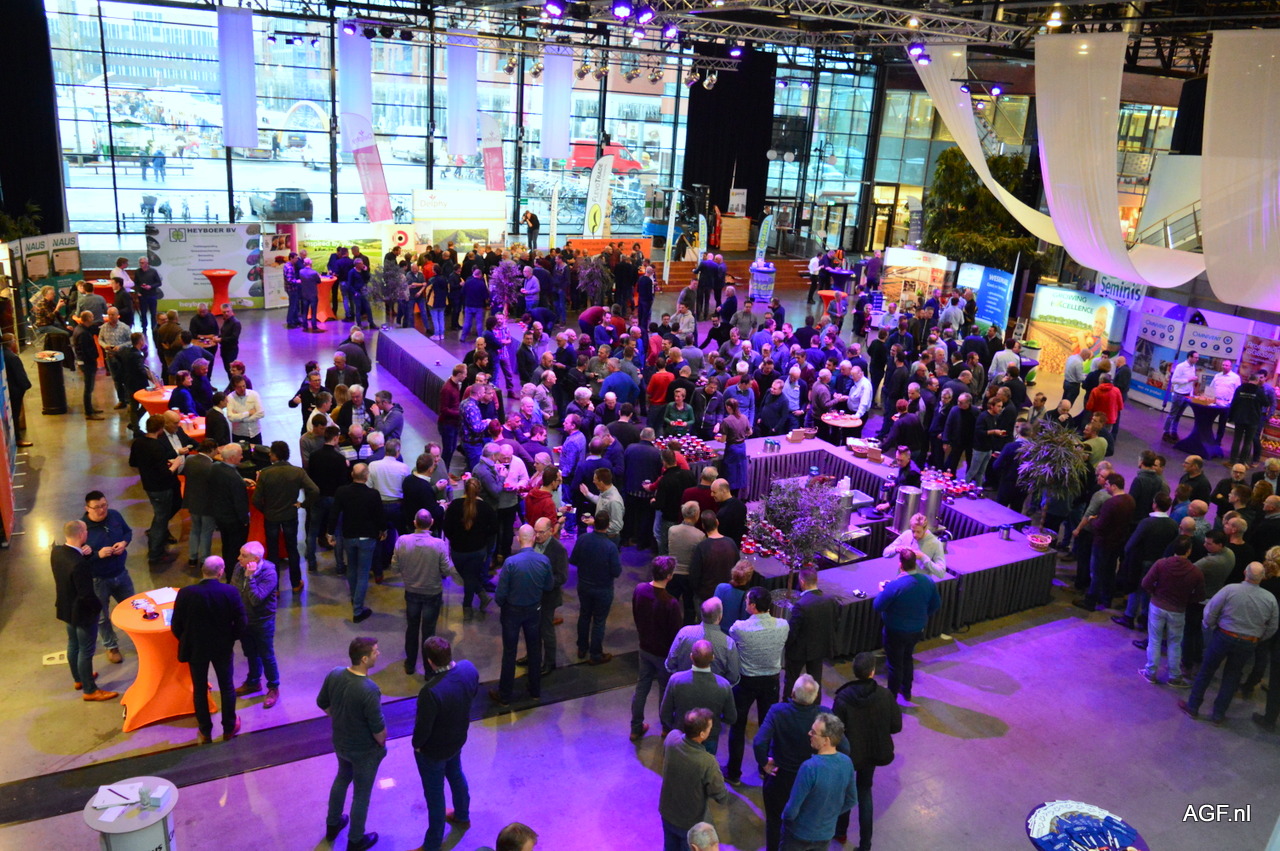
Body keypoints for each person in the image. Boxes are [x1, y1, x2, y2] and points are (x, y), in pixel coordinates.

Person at [1179, 562, 1279, 725]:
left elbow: (1211, 610)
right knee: (1232, 676)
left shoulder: (1230, 590)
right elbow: (1273, 626)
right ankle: (1218, 715)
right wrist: (1258, 638)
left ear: (1244, 572)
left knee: (1206, 671)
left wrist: (1209, 625)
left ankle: (1193, 706)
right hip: (1248, 642)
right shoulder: (1270, 599)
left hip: (1224, 636)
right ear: (1263, 577)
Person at [318, 637, 387, 851]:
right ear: (364, 659)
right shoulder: (369, 689)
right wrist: (382, 746)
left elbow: (322, 702)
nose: (379, 654)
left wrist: (339, 718)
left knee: (342, 778)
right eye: (375, 652)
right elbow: (378, 730)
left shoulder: (335, 673)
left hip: (341, 743)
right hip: (364, 751)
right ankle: (355, 840)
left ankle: (332, 825)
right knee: (361, 795)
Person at [412, 636, 479, 851]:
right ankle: (462, 816)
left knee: (434, 795)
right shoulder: (468, 669)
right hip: (457, 739)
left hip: (433, 751)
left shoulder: (430, 692)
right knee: (456, 775)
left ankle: (432, 845)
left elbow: (423, 728)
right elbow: (472, 694)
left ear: (430, 662)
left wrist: (417, 745)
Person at [171, 556, 247, 744]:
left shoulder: (186, 593)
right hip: (222, 647)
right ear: (220, 572)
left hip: (196, 648)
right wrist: (230, 638)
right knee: (227, 686)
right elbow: (241, 622)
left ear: (202, 570)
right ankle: (229, 728)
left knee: (199, 689)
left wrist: (188, 639)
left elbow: (176, 625)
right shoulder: (230, 591)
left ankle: (205, 731)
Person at [832, 652, 903, 851]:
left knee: (846, 792)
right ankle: (865, 845)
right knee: (864, 791)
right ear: (872, 672)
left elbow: (835, 731)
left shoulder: (843, 697)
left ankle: (840, 832)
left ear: (855, 671)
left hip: (849, 754)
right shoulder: (885, 695)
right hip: (872, 752)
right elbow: (896, 726)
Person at [724, 587, 789, 783]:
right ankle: (764, 767)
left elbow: (732, 638)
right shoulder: (783, 625)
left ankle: (733, 773)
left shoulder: (739, 628)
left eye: (747, 600)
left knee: (738, 726)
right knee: (766, 726)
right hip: (771, 680)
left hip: (746, 681)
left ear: (752, 605)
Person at [52, 520, 117, 701]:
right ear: (81, 534)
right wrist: (98, 608)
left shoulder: (57, 551)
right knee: (86, 651)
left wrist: (84, 555)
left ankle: (79, 679)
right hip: (82, 613)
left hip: (66, 608)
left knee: (73, 644)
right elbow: (86, 594)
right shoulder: (78, 564)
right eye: (86, 530)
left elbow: (70, 574)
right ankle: (90, 690)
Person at [491, 525, 555, 705]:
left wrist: (503, 604)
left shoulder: (511, 563)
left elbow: (500, 594)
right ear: (534, 538)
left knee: (509, 653)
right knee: (534, 650)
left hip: (512, 612)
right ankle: (535, 690)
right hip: (533, 611)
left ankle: (505, 695)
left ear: (518, 539)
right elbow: (549, 586)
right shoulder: (543, 560)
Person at [781, 713, 859, 851]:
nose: (809, 733)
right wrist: (830, 816)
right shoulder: (847, 762)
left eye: (814, 732)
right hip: (825, 835)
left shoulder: (809, 767)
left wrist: (785, 819)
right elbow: (852, 800)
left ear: (826, 740)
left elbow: (791, 810)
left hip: (799, 834)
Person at [873, 550, 941, 702]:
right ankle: (907, 691)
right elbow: (936, 605)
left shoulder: (894, 586)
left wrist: (882, 591)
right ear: (915, 563)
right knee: (907, 658)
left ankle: (891, 697)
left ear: (900, 564)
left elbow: (878, 606)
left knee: (894, 664)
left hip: (895, 631)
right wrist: (922, 617)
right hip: (916, 630)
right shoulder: (928, 581)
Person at [396, 510, 458, 675]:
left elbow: (395, 567)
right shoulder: (439, 544)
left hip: (411, 591)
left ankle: (410, 665)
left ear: (414, 523)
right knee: (429, 632)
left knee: (412, 628)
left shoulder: (402, 541)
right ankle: (429, 670)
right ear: (431, 523)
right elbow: (446, 570)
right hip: (432, 593)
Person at [1138, 535, 1205, 688]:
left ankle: (1150, 672)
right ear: (1189, 551)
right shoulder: (1195, 572)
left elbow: (1146, 583)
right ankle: (1174, 676)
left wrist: (1155, 593)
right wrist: (1186, 600)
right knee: (1175, 643)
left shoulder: (1161, 564)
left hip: (1157, 606)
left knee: (1154, 639)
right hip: (1178, 610)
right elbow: (1200, 596)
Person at [659, 708, 730, 851]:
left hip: (667, 811)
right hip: (689, 822)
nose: (711, 729)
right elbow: (721, 796)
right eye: (709, 727)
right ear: (702, 734)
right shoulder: (707, 762)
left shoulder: (672, 737)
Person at [253, 441, 318, 594]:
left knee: (273, 551)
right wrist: (303, 504)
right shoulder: (297, 472)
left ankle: (274, 587)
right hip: (290, 515)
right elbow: (314, 490)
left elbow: (256, 499)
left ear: (275, 455)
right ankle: (295, 583)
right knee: (292, 549)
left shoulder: (265, 473)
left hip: (271, 517)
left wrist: (266, 510)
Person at [632, 556, 684, 740]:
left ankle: (635, 727)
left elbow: (636, 614)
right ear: (669, 576)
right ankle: (666, 727)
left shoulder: (639, 589)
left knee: (642, 687)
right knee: (664, 690)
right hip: (663, 654)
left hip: (644, 647)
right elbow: (676, 635)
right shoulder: (670, 603)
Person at [81, 491, 134, 665]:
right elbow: (78, 559)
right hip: (98, 580)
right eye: (96, 507)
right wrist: (98, 555)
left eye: (104, 505)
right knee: (102, 616)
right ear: (87, 508)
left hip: (121, 573)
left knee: (132, 608)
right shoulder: (82, 530)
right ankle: (111, 646)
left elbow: (128, 532)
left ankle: (138, 638)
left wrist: (124, 543)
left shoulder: (115, 516)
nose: (102, 510)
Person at [661, 639, 738, 756]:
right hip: (710, 736)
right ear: (713, 658)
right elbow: (731, 717)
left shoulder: (675, 680)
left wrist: (676, 726)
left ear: (691, 657)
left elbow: (665, 713)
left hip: (682, 734)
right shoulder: (724, 685)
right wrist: (715, 721)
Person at [329, 463, 384, 623]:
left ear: (352, 475)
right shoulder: (373, 494)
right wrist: (383, 530)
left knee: (352, 568)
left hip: (349, 536)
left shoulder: (342, 491)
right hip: (367, 537)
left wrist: (330, 532)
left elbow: (334, 513)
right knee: (363, 573)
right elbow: (379, 516)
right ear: (367, 476)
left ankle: (355, 598)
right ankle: (358, 610)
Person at [231, 541, 281, 709]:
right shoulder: (239, 567)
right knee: (250, 652)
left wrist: (250, 577)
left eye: (243, 556)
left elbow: (256, 599)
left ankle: (273, 687)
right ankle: (253, 682)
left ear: (256, 559)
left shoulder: (269, 573)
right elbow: (234, 590)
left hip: (262, 621)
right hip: (245, 619)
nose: (239, 558)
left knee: (266, 654)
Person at [571, 511, 623, 664]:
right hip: (603, 588)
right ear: (608, 525)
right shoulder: (610, 547)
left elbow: (573, 560)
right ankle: (595, 654)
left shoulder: (583, 539)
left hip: (584, 585)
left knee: (584, 616)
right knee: (599, 621)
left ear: (594, 523)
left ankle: (582, 648)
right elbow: (616, 571)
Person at [784, 569, 838, 698]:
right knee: (815, 681)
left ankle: (787, 704)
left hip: (798, 651)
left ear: (802, 582)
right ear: (816, 580)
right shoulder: (830, 600)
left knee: (791, 680)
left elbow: (793, 631)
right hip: (819, 649)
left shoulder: (801, 605)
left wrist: (786, 645)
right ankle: (814, 704)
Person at [880, 512, 946, 578]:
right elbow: (885, 553)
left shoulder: (936, 544)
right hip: (902, 580)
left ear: (925, 529)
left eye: (918, 532)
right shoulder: (907, 534)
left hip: (920, 583)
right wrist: (896, 549)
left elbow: (941, 573)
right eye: (913, 531)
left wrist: (923, 557)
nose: (915, 535)